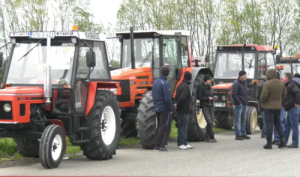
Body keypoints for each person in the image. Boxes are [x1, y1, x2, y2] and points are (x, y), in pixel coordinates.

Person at [260, 69, 287, 149]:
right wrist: (279, 100)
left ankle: (269, 143)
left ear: (269, 75)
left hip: (268, 107)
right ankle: (282, 141)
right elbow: (285, 94)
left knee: (269, 125)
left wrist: (263, 101)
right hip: (278, 107)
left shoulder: (267, 83)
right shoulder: (281, 83)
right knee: (278, 124)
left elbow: (264, 96)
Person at [152, 66, 173, 151]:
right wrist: (170, 109)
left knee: (159, 126)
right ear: (167, 74)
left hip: (156, 106)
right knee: (163, 126)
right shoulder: (165, 83)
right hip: (164, 108)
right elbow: (167, 98)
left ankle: (156, 144)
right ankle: (158, 145)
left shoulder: (155, 82)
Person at [174, 71, 193, 150]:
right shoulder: (185, 87)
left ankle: (185, 142)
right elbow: (182, 98)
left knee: (184, 127)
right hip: (184, 110)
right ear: (189, 79)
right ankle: (181, 143)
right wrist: (178, 105)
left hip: (183, 110)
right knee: (183, 127)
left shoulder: (180, 85)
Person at [197, 75, 217, 143]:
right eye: (209, 80)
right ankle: (208, 136)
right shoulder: (201, 87)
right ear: (206, 80)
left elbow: (210, 95)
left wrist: (213, 97)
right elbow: (199, 97)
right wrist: (207, 98)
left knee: (211, 120)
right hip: (205, 105)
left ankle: (211, 136)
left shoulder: (209, 86)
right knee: (208, 121)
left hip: (210, 104)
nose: (210, 81)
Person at [282, 72, 300, 148]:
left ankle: (295, 143)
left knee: (294, 125)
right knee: (287, 125)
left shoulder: (291, 85)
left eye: (283, 77)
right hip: (290, 108)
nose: (282, 79)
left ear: (286, 78)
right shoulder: (289, 85)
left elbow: (298, 92)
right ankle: (284, 142)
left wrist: (296, 102)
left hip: (293, 108)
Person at [232, 71, 251, 140]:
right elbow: (234, 94)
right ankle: (237, 135)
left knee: (243, 119)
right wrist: (239, 102)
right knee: (237, 120)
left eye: (246, 75)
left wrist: (246, 101)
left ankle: (243, 133)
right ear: (240, 76)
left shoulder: (245, 83)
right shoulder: (236, 83)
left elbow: (245, 92)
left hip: (244, 104)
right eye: (244, 76)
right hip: (238, 105)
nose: (245, 77)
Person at [272, 72, 285, 144]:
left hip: (278, 105)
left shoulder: (277, 84)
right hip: (280, 105)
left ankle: (278, 138)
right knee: (279, 121)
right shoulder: (282, 84)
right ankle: (279, 138)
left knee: (278, 121)